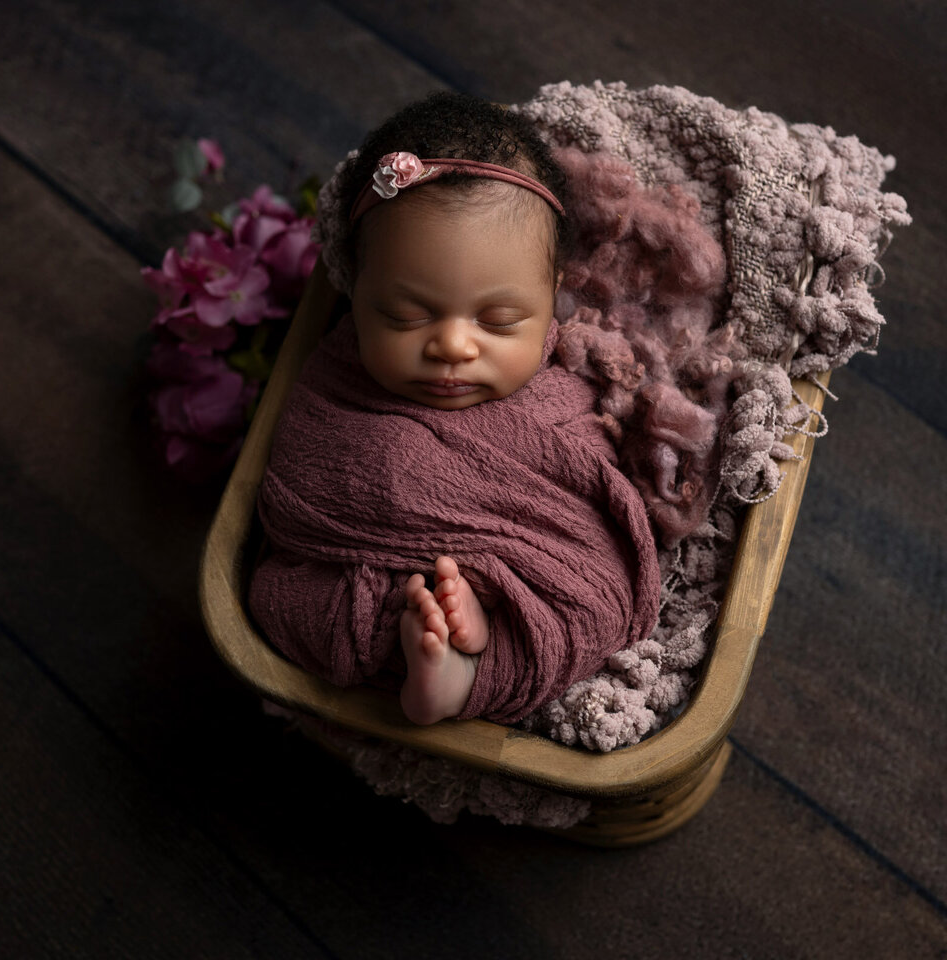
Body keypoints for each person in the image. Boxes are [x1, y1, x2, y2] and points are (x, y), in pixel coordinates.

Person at [249, 92, 662, 725]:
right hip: (361, 571)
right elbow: (297, 483)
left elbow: (591, 507)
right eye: (404, 316)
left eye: (498, 321)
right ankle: (436, 649)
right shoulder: (335, 380)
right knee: (281, 597)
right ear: (355, 290)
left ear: (552, 296)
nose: (452, 345)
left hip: (528, 578)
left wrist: (497, 581)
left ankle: (474, 665)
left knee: (595, 594)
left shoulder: (565, 394)